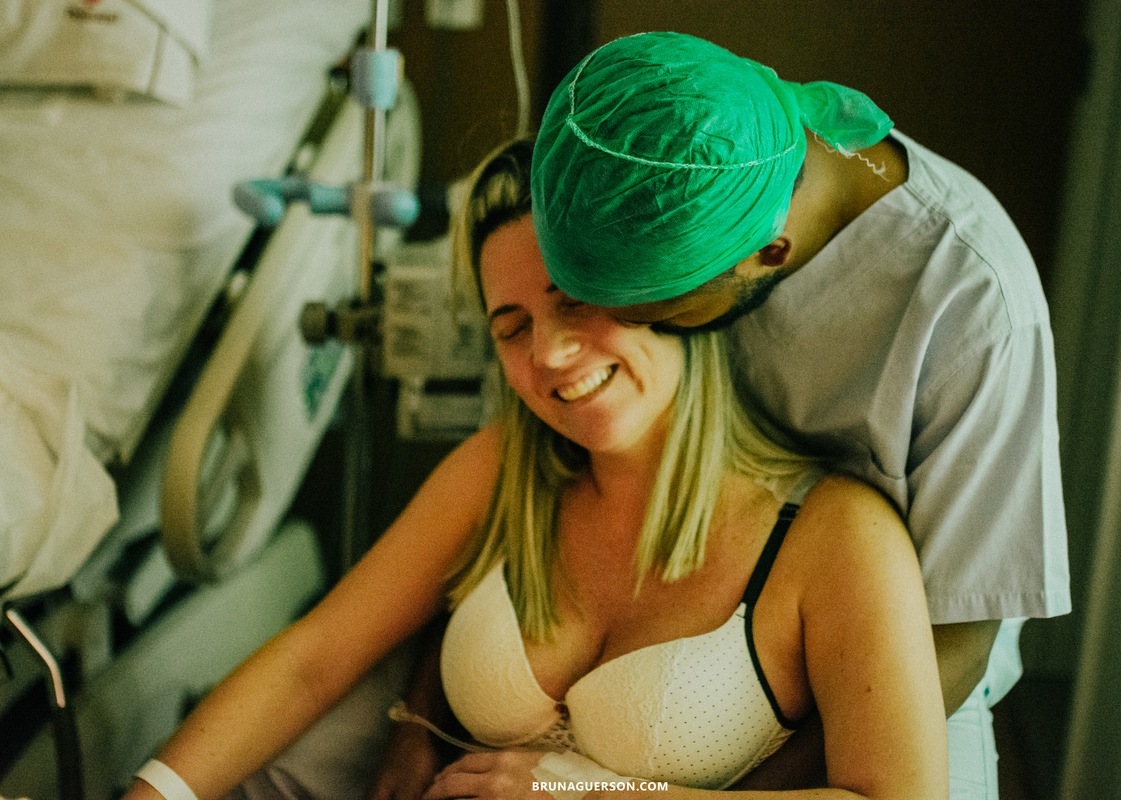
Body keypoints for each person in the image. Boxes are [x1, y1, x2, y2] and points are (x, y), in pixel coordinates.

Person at [123, 138, 948, 800]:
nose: (550, 354)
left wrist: (594, 794)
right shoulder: (503, 474)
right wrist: (155, 793)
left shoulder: (835, 538)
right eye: (511, 327)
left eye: (575, 300)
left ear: (672, 293)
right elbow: (312, 663)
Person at [529, 31, 1071, 799]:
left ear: (769, 256)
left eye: (664, 315)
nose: (632, 335)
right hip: (710, 613)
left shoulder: (972, 302)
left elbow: (959, 640)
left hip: (901, 680)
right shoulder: (679, 139)